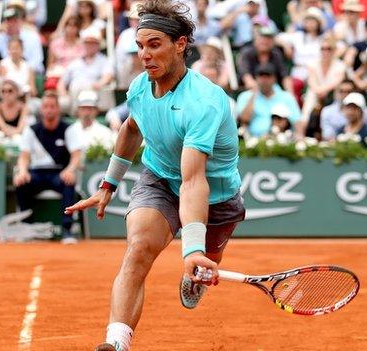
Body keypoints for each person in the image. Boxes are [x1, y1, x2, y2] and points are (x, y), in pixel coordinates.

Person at [66, 3, 246, 349]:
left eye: (154, 44)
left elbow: (194, 180)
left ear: (180, 45)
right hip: (161, 178)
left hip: (215, 196)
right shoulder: (139, 87)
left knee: (206, 261)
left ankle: (196, 269)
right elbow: (133, 129)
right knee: (138, 248)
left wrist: (193, 249)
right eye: (140, 46)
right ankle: (116, 341)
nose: (144, 55)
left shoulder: (205, 102)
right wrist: (109, 184)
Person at [13, 91, 85, 244]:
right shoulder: (31, 130)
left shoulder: (68, 128)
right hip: (37, 173)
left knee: (69, 181)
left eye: (52, 106)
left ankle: (67, 230)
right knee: (21, 182)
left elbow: (76, 155)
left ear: (58, 109)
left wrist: (70, 169)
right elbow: (24, 156)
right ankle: (26, 227)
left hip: (59, 173)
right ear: (41, 109)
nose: (49, 110)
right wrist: (23, 171)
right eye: (46, 106)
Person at [57, 28, 114, 114]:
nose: (90, 46)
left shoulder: (104, 61)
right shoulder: (75, 62)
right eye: (87, 43)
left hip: (94, 94)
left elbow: (108, 76)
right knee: (62, 101)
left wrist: (99, 83)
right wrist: (63, 93)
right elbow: (62, 83)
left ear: (98, 45)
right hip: (74, 98)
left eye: (93, 43)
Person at [237, 63, 302, 137]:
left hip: (281, 142)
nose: (264, 80)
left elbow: (297, 122)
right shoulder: (245, 96)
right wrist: (254, 94)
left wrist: (300, 138)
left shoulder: (286, 97)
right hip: (253, 142)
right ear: (256, 78)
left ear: (274, 78)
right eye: (261, 76)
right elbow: (244, 120)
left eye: (268, 76)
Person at [0, 7, 44, 74]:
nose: (11, 24)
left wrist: (22, 70)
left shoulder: (32, 36)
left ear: (20, 22)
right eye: (8, 20)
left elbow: (37, 61)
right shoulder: (1, 35)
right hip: (10, 73)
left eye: (14, 21)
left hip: (31, 73)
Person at [301, 35, 346, 122]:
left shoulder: (340, 65)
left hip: (333, 94)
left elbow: (337, 82)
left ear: (334, 50)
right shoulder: (312, 64)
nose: (325, 51)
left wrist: (322, 91)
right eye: (323, 49)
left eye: (329, 49)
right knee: (310, 96)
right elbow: (312, 82)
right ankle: (303, 125)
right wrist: (319, 91)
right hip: (316, 93)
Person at [237, 26, 292, 92]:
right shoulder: (247, 53)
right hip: (250, 91)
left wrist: (290, 95)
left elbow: (285, 76)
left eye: (269, 38)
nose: (265, 41)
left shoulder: (276, 54)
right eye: (262, 38)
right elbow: (246, 75)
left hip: (273, 91)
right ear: (255, 39)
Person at [46, 15, 84, 84]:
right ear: (65, 27)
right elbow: (50, 65)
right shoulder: (55, 43)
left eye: (74, 26)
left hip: (77, 75)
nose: (71, 28)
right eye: (69, 25)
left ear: (78, 29)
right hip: (59, 75)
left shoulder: (83, 45)